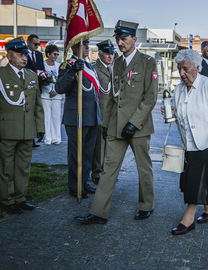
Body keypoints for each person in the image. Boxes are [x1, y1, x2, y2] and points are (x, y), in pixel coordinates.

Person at [75, 20, 158, 224]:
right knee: (108, 168)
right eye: (118, 39)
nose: (120, 43)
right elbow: (113, 97)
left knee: (143, 168)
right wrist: (105, 124)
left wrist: (134, 122)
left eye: (124, 39)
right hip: (116, 126)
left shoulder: (148, 62)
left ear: (134, 39)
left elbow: (150, 98)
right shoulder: (117, 63)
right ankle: (98, 212)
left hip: (138, 127)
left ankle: (146, 205)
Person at [167, 49, 208, 235]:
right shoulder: (179, 89)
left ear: (197, 68)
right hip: (187, 144)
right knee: (194, 181)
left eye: (186, 69)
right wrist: (170, 113)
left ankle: (187, 220)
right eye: (179, 69)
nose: (182, 74)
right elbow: (180, 112)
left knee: (195, 183)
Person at [0, 37, 45, 214]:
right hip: (7, 129)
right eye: (20, 54)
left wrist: (40, 127)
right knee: (6, 167)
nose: (24, 58)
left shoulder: (32, 76)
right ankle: (7, 199)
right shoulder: (2, 75)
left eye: (25, 54)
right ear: (9, 56)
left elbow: (38, 105)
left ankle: (20, 197)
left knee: (23, 167)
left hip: (27, 129)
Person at [55, 40, 100, 199]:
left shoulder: (89, 66)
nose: (87, 47)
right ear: (75, 47)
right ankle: (75, 187)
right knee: (76, 154)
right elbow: (59, 88)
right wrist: (72, 71)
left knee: (88, 154)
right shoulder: (67, 66)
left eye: (88, 45)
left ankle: (84, 183)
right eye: (84, 45)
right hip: (76, 117)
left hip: (92, 117)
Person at [91, 39, 115, 184]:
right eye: (107, 53)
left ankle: (107, 172)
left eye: (112, 53)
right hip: (100, 112)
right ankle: (97, 173)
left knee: (111, 145)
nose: (110, 56)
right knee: (100, 145)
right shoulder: (94, 68)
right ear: (99, 54)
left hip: (112, 113)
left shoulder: (114, 68)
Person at [26, 34, 45, 148]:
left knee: (36, 112)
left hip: (38, 87)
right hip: (27, 87)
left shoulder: (39, 55)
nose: (37, 46)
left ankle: (35, 136)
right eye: (35, 44)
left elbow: (41, 69)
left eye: (38, 44)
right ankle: (29, 139)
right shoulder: (23, 54)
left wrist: (45, 78)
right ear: (28, 42)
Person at [41, 44, 62, 145]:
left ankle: (56, 138)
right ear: (48, 54)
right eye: (54, 54)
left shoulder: (59, 66)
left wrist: (56, 91)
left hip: (57, 95)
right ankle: (48, 138)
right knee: (47, 117)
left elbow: (62, 80)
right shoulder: (42, 65)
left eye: (57, 54)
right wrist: (49, 90)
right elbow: (41, 79)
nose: (56, 56)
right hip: (46, 95)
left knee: (56, 117)